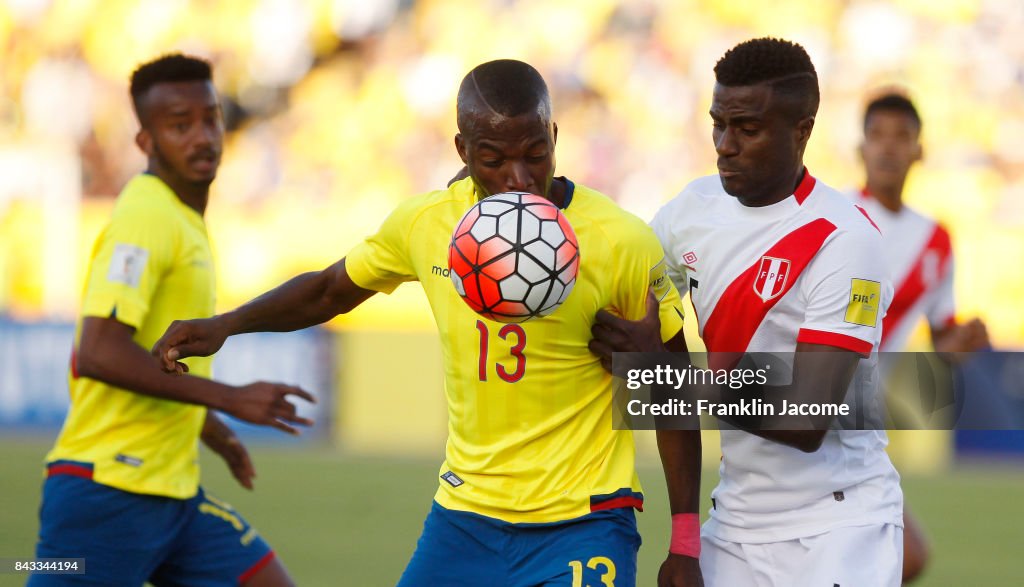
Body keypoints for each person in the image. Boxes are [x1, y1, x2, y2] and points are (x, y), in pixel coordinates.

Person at [152, 59, 704, 587]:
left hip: (585, 521)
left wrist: (683, 540)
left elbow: (680, 389)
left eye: (537, 153)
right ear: (462, 150)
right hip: (465, 518)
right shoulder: (428, 222)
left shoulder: (621, 240)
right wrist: (228, 323)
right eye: (493, 159)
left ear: (556, 136)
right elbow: (328, 290)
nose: (520, 179)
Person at [590, 38, 904, 586]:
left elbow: (806, 417)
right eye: (717, 124)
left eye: (747, 129)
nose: (724, 145)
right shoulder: (687, 213)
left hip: (839, 527)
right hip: (733, 523)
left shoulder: (847, 239)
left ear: (802, 131)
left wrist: (652, 378)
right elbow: (608, 285)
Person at [30, 54, 311, 587]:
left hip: (171, 495)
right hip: (108, 491)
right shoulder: (147, 217)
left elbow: (156, 354)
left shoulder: (184, 218)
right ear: (145, 142)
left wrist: (210, 428)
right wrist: (226, 397)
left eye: (211, 118)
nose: (202, 136)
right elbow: (98, 352)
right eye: (180, 125)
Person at [855, 91, 990, 583]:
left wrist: (965, 340)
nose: (888, 148)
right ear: (861, 148)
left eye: (901, 137)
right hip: (814, 401)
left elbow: (943, 344)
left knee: (904, 557)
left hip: (860, 420)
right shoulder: (836, 215)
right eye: (877, 136)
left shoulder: (936, 241)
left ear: (919, 151)